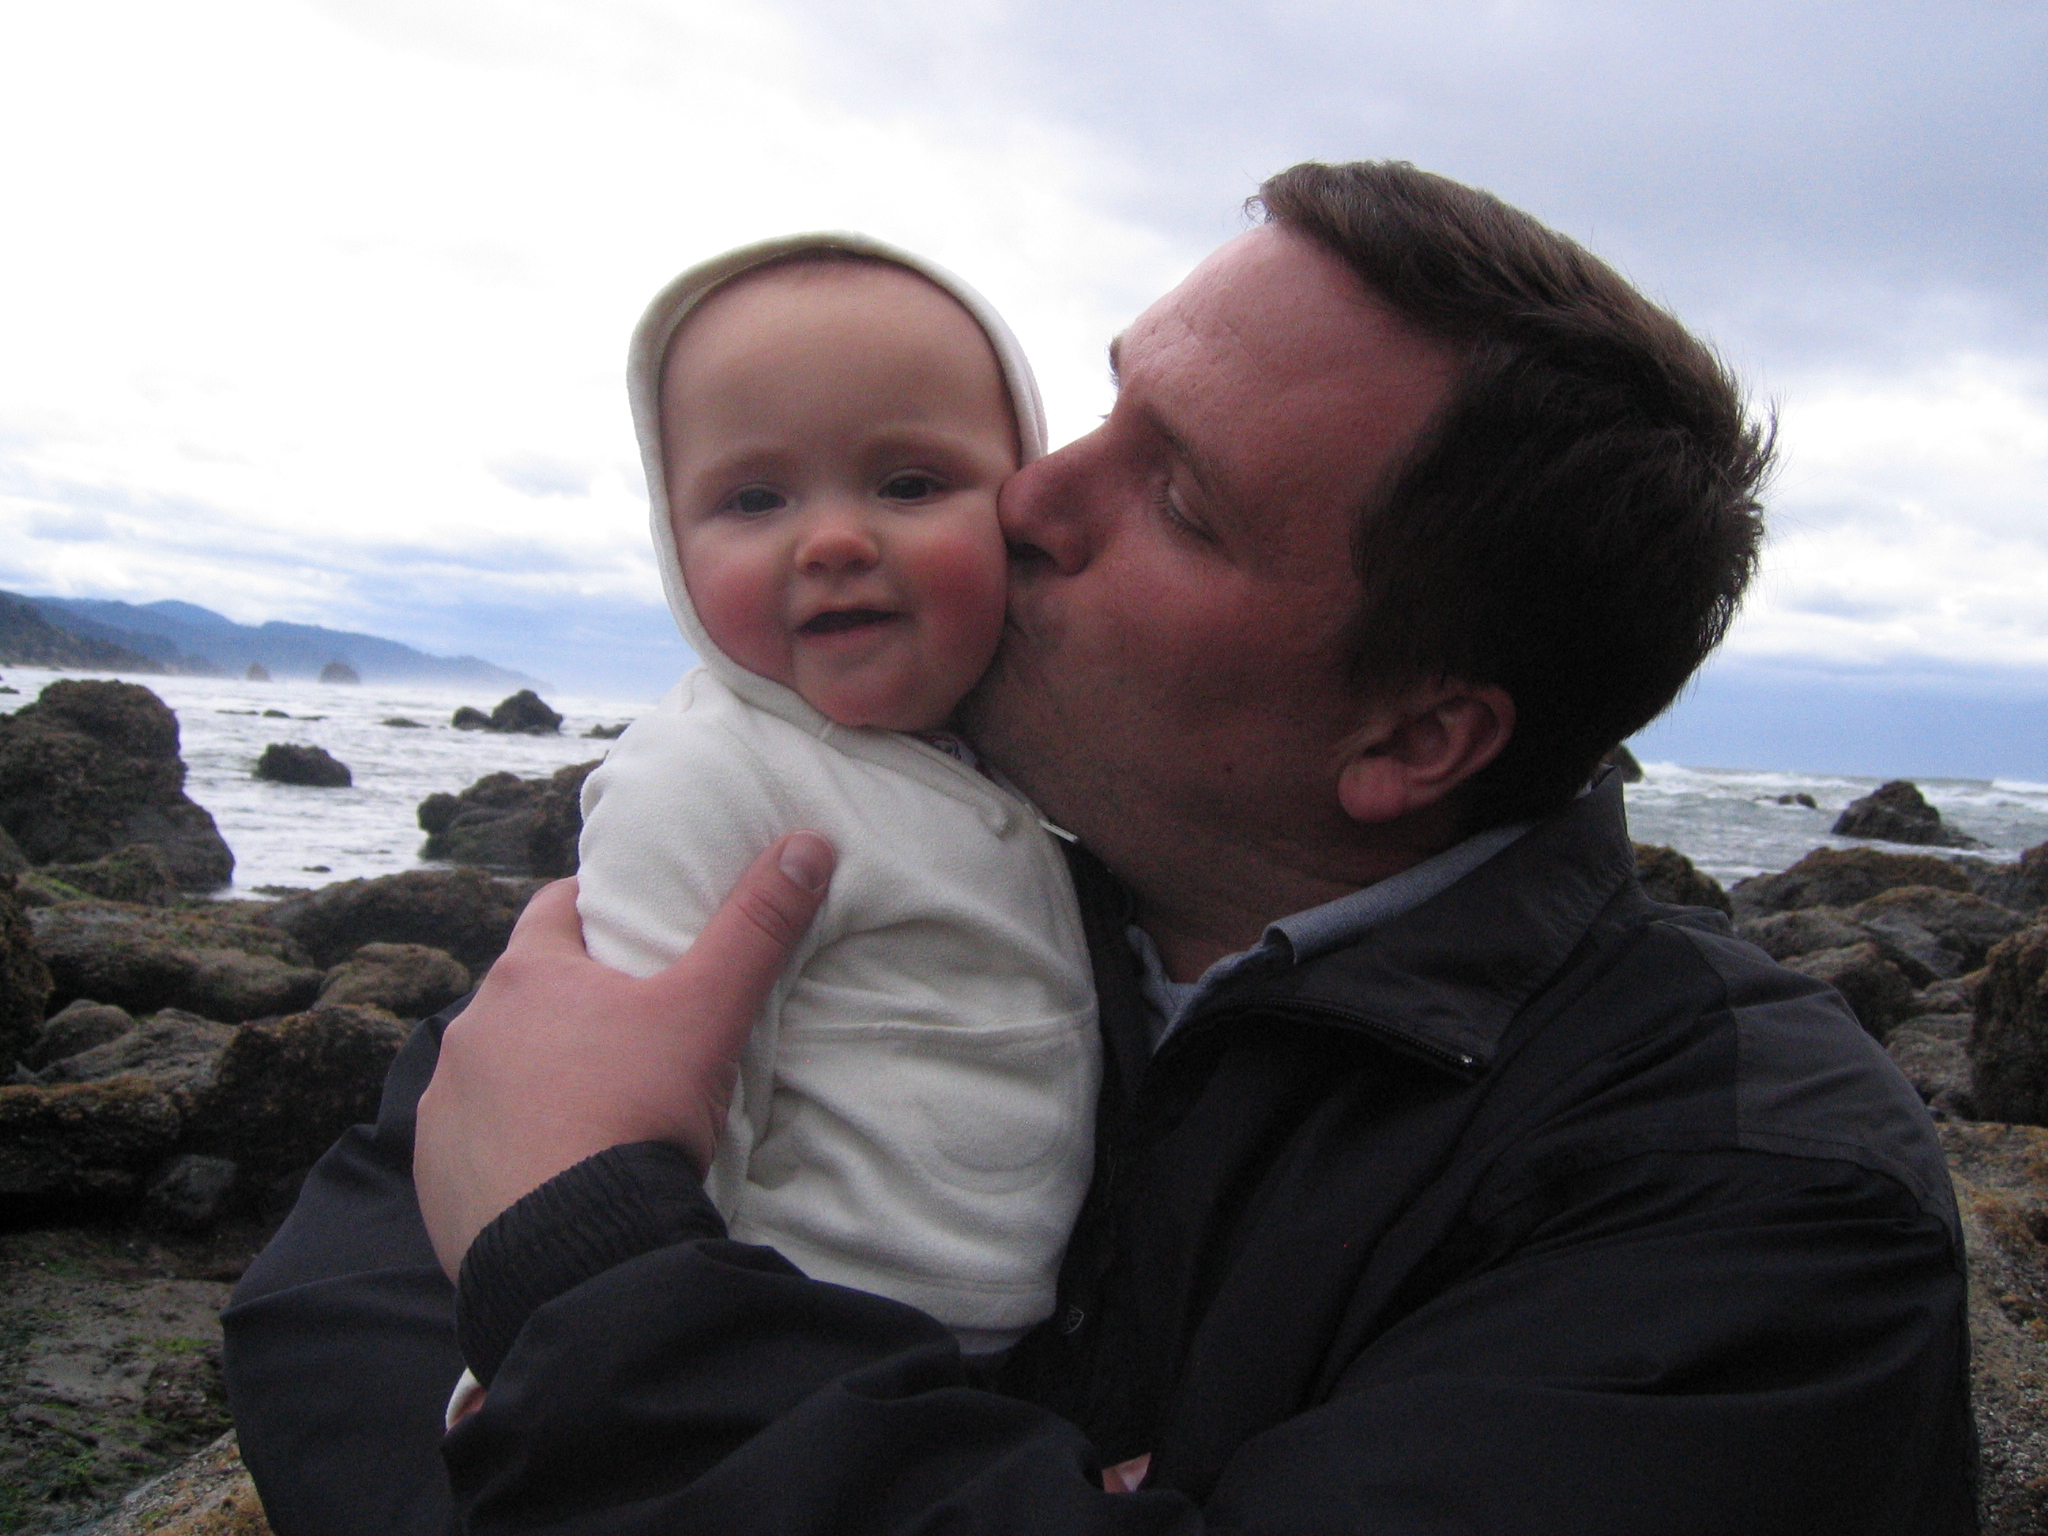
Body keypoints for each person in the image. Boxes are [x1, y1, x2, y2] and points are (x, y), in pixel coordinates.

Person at [223, 161, 1976, 1534]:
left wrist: (578, 1264)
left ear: (1410, 739)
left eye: (1179, 496)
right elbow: (333, 1307)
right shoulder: (891, 866)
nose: (1033, 497)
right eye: (1104, 408)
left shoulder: (1753, 1202)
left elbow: (510, 1223)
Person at [563, 236, 1096, 1367]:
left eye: (909, 484)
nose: (836, 540)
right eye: (753, 498)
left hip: (1003, 1373)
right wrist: (573, 1376)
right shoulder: (705, 774)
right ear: (672, 532)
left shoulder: (1019, 757)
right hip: (777, 1358)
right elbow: (628, 1120)